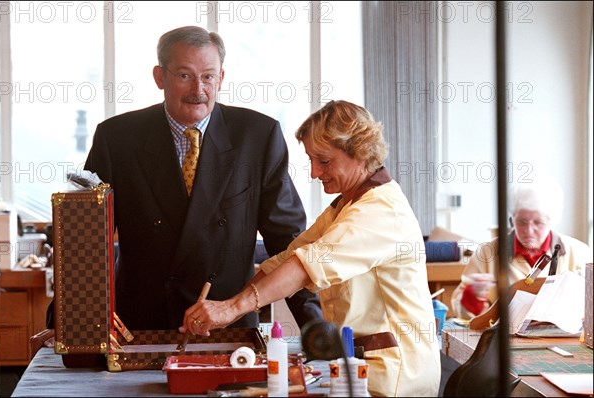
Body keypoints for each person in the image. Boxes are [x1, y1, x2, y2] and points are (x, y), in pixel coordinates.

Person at [182, 100, 442, 397]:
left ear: (361, 152)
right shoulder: (347, 204)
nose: (314, 173)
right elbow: (285, 260)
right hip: (361, 369)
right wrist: (227, 309)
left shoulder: (380, 211)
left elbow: (304, 267)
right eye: (311, 161)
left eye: (324, 161)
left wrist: (231, 309)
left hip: (395, 380)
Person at [79, 26, 323, 331]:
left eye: (208, 76)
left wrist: (314, 324)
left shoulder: (257, 136)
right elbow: (87, 241)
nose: (198, 89)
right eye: (184, 75)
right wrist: (65, 320)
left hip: (228, 326)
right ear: (159, 77)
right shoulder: (117, 138)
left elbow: (286, 239)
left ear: (220, 79)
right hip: (140, 327)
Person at [451, 179, 593, 319]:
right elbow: (463, 314)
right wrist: (473, 295)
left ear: (552, 221)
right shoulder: (487, 253)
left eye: (538, 222)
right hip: (504, 340)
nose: (529, 230)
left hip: (564, 339)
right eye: (521, 222)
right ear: (512, 219)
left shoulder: (580, 253)